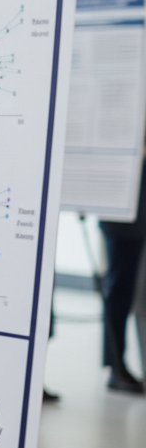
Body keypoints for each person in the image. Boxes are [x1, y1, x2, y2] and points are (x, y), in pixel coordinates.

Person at [98, 157, 146, 394]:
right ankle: (116, 366)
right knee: (120, 289)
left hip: (134, 211)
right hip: (124, 212)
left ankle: (118, 366)